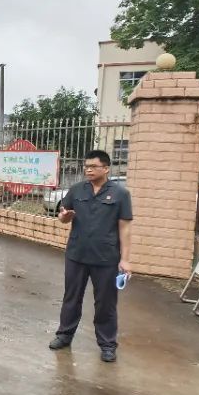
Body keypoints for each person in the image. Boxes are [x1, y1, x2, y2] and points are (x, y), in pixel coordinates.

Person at [48, 150, 133, 363]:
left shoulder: (121, 194)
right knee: (71, 297)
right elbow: (63, 218)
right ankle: (64, 335)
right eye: (86, 166)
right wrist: (64, 217)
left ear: (106, 168)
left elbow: (125, 229)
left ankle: (107, 345)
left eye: (93, 166)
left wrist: (125, 259)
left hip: (106, 258)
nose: (88, 169)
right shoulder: (77, 190)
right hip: (77, 254)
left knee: (105, 302)